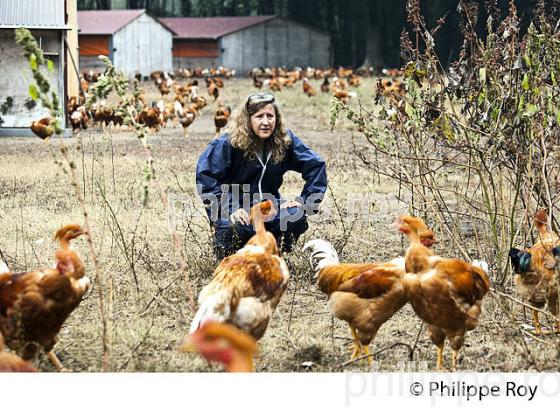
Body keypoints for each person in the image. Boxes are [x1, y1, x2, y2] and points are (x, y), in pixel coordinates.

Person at [196, 92, 327, 259]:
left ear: (276, 119)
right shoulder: (227, 143)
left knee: (295, 215)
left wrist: (305, 202)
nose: (266, 122)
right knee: (232, 226)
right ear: (247, 119)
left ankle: (274, 255)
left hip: (268, 207)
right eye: (259, 116)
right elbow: (205, 176)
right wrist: (229, 209)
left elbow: (316, 165)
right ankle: (232, 258)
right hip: (238, 209)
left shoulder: (285, 140)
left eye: (270, 116)